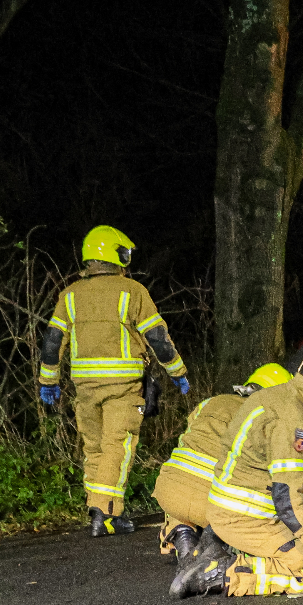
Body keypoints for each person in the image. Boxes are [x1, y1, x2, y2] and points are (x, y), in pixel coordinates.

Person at [171, 352, 303, 598]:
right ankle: (221, 573)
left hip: (228, 508)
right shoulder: (295, 422)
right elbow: (288, 497)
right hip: (247, 517)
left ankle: (217, 548)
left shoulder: (269, 396)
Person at [38, 225, 190, 537]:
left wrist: (48, 381)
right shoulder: (132, 292)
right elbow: (157, 338)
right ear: (115, 254)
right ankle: (106, 513)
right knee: (117, 448)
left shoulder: (69, 296)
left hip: (84, 389)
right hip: (123, 388)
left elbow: (53, 342)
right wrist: (177, 372)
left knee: (93, 448)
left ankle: (97, 508)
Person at [151, 363, 294, 560]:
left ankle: (183, 531)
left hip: (169, 491)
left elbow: (186, 440)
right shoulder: (269, 419)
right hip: (217, 505)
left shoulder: (211, 402)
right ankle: (217, 539)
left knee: (183, 481)